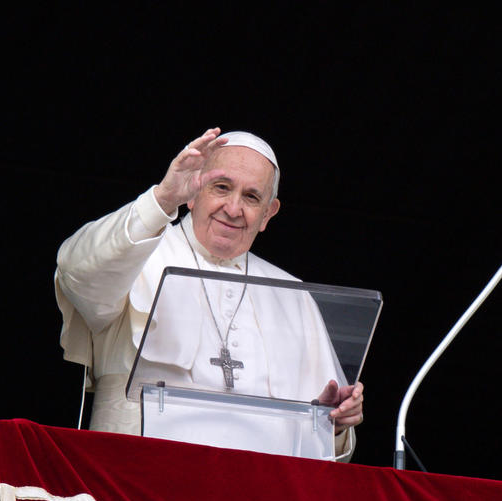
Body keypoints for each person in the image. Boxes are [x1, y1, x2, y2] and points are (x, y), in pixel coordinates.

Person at [54, 128, 363, 460]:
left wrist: (334, 425)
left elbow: (323, 441)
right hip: (136, 482)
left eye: (251, 197)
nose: (233, 208)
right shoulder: (136, 253)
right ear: (193, 190)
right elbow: (76, 272)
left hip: (256, 498)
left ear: (267, 214)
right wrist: (161, 200)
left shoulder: (294, 296)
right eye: (222, 187)